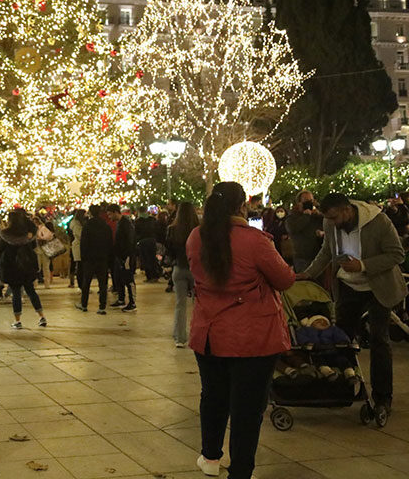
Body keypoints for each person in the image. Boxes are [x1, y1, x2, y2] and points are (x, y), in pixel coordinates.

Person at [187, 182, 294, 479]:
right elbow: (284, 279)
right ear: (241, 207)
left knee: (213, 396)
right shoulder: (254, 241)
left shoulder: (196, 237)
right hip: (252, 337)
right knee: (247, 409)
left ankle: (210, 457)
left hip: (209, 333)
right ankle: (241, 471)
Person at [297, 192, 407, 417]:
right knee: (341, 338)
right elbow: (326, 252)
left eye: (335, 218)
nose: (332, 223)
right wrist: (307, 274)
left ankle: (382, 397)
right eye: (329, 219)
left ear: (347, 210)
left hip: (379, 286)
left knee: (379, 338)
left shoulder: (378, 221)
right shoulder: (330, 224)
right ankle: (344, 387)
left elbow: (397, 254)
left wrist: (364, 265)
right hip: (349, 287)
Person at [0, 209, 47, 329]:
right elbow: (34, 248)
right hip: (27, 266)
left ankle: (17, 320)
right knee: (31, 291)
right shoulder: (28, 234)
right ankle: (41, 317)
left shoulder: (5, 234)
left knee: (16, 293)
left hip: (12, 267)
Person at [167, 202, 199, 347]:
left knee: (180, 304)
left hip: (179, 268)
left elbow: (169, 251)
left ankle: (180, 338)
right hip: (195, 269)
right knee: (197, 304)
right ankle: (197, 335)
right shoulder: (199, 230)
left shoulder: (172, 229)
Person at [79, 205, 113, 314]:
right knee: (103, 283)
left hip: (89, 258)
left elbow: (83, 243)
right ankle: (102, 307)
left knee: (86, 282)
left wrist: (83, 257)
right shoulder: (105, 225)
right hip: (102, 257)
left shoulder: (87, 226)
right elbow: (109, 242)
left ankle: (84, 304)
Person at [286, 190, 324, 273]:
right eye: (306, 201)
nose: (309, 204)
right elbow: (293, 228)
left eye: (311, 201)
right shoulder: (293, 217)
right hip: (302, 259)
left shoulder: (317, 216)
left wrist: (320, 214)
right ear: (299, 203)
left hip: (319, 256)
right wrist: (306, 215)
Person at [108, 204, 136, 311]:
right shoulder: (121, 223)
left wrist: (127, 256)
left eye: (110, 214)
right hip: (120, 256)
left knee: (128, 279)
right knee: (119, 277)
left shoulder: (126, 224)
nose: (109, 217)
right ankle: (121, 299)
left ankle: (132, 303)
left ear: (116, 212)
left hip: (126, 256)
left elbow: (130, 241)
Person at [134, 207, 160, 282]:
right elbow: (156, 229)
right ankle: (154, 275)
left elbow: (136, 233)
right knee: (152, 258)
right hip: (152, 240)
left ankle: (149, 276)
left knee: (145, 259)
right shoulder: (152, 219)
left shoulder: (138, 221)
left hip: (142, 241)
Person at [69, 209, 86, 290]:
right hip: (78, 246)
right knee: (80, 266)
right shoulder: (76, 224)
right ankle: (81, 285)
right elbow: (80, 235)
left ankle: (82, 284)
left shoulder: (77, 223)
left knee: (81, 266)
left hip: (80, 246)